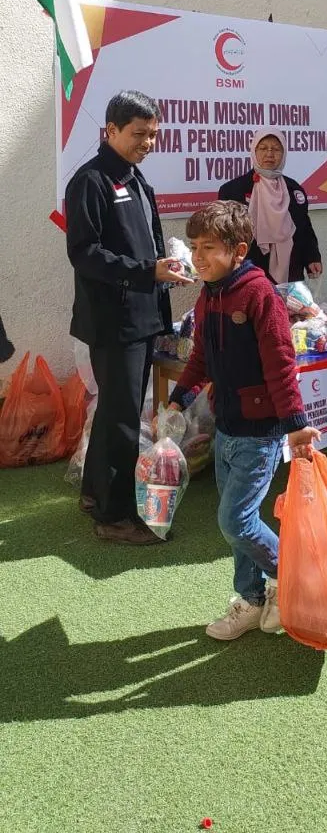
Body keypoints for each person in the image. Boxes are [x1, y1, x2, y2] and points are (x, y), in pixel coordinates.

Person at [169, 200, 320, 640]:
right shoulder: (208, 294)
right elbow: (201, 356)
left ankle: (296, 580)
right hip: (227, 428)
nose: (198, 257)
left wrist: (295, 423)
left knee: (235, 521)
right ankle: (252, 600)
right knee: (240, 522)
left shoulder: (259, 294)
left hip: (262, 432)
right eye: (194, 247)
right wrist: (179, 397)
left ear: (238, 251)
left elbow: (280, 364)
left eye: (209, 248)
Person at [65, 90, 193, 545]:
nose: (148, 142)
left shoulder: (135, 179)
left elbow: (142, 248)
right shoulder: (91, 180)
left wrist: (165, 269)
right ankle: (114, 517)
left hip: (140, 318)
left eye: (154, 134)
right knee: (122, 420)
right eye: (139, 134)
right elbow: (84, 254)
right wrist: (146, 271)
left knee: (114, 413)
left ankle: (93, 493)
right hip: (112, 322)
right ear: (111, 131)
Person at [219, 127, 322, 284]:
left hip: (290, 270)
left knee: (288, 308)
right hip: (248, 270)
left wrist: (312, 257)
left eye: (276, 149)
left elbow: (304, 227)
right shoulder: (232, 190)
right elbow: (224, 235)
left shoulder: (294, 189)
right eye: (263, 148)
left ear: (284, 153)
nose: (269, 154)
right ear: (254, 150)